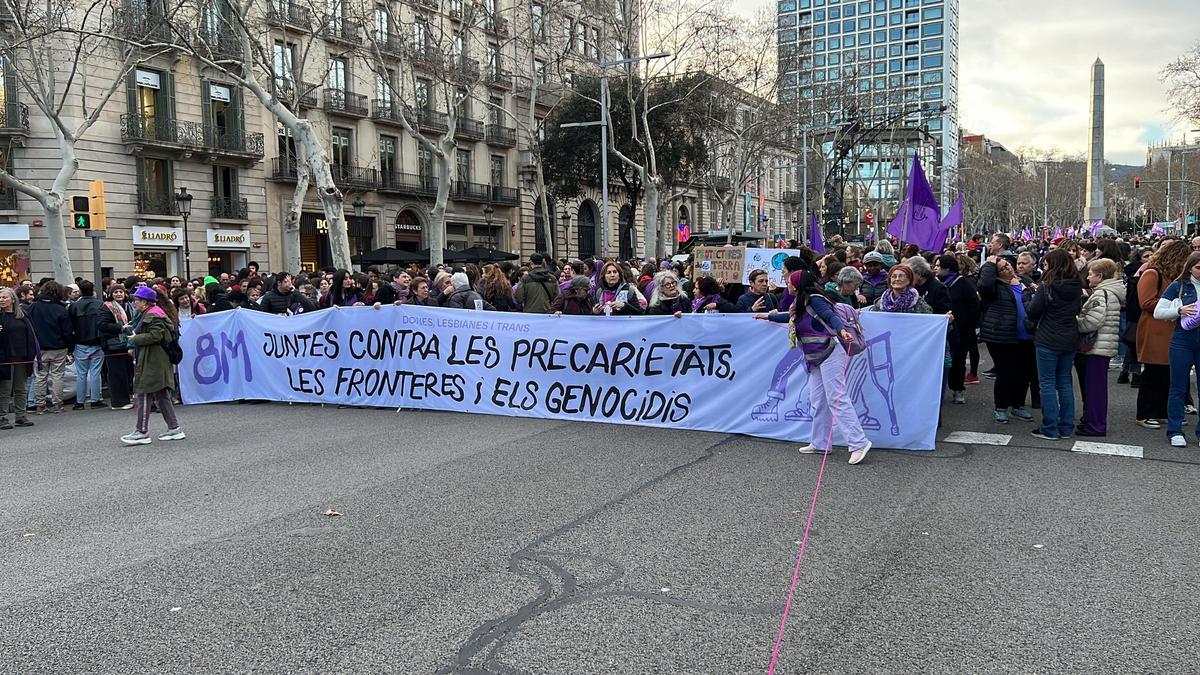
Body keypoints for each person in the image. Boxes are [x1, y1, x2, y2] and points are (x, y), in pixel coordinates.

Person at [755, 269, 871, 465]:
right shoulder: (800, 302)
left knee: (836, 397)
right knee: (817, 399)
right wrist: (767, 316)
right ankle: (820, 443)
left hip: (830, 350)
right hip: (814, 355)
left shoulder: (815, 298)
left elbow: (830, 315)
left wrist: (842, 331)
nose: (787, 284)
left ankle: (858, 443)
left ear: (798, 284)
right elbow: (791, 317)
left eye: (789, 281)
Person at [1024, 249, 1082, 440]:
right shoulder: (1076, 285)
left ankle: (1050, 427)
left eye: (1046, 264)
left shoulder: (1047, 286)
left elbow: (1033, 311)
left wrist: (1027, 297)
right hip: (1069, 336)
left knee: (1047, 383)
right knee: (1064, 382)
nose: (1044, 267)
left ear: (1053, 265)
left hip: (1049, 336)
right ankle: (1066, 427)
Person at [1136, 240, 1189, 429]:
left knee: (1165, 374)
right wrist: (1173, 305)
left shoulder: (1170, 276)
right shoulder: (1152, 273)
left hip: (1168, 327)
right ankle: (1144, 413)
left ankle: (1159, 411)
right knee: (1153, 373)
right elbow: (1146, 302)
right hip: (1154, 328)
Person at [978, 254, 1037, 424]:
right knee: (1005, 373)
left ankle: (1018, 405)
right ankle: (1001, 407)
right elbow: (984, 285)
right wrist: (989, 264)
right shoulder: (994, 286)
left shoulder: (1024, 280)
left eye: (1008, 265)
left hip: (1026, 335)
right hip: (1001, 335)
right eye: (1002, 268)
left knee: (1024, 373)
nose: (1009, 268)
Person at [121, 286, 184, 445]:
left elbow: (156, 335)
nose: (134, 302)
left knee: (144, 392)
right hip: (156, 359)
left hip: (153, 359)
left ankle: (142, 431)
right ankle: (174, 428)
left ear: (145, 301)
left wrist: (135, 339)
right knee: (161, 394)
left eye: (136, 300)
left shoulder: (153, 314)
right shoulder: (154, 312)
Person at [1075, 258, 1125, 437]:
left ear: (1100, 276)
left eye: (1090, 274)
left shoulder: (1101, 294)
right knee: (1097, 388)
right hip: (1105, 344)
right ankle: (1094, 422)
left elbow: (1093, 322)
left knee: (1095, 389)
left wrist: (1077, 321)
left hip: (1097, 346)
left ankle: (1095, 424)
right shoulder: (1111, 292)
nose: (1088, 277)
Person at [1155, 252, 1200, 446]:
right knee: (1178, 387)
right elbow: (1158, 312)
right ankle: (1175, 431)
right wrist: (1179, 310)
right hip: (1183, 339)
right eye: (1198, 267)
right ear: (1190, 267)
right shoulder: (1179, 286)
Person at [936, 255, 980, 404]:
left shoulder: (963, 283)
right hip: (942, 330)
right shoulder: (937, 285)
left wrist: (970, 326)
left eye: (938, 266)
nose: (935, 268)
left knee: (958, 360)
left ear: (947, 268)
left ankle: (958, 389)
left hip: (961, 330)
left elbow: (974, 306)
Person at [27, 280, 74, 414]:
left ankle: (40, 405)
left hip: (39, 347)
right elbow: (67, 331)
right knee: (57, 376)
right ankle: (57, 404)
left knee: (40, 376)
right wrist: (69, 347)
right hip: (58, 346)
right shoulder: (61, 309)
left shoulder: (34, 307)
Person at [0, 287, 37, 429]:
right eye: (0, 297)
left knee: (20, 388)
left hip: (22, 357)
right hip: (5, 358)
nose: (1, 300)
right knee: (5, 389)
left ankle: (21, 416)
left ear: (13, 300)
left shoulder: (23, 315)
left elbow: (31, 334)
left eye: (4, 297)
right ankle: (2, 417)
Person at [67, 280, 106, 410]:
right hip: (97, 341)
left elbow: (70, 325)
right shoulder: (100, 304)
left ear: (80, 290)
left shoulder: (74, 306)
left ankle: (80, 401)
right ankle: (95, 399)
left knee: (81, 373)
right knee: (95, 372)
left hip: (80, 342)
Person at [98, 284, 135, 410]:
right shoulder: (106, 307)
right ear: (111, 294)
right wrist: (120, 328)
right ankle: (118, 402)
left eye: (121, 292)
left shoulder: (129, 305)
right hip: (113, 344)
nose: (119, 294)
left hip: (127, 343)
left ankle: (127, 397)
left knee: (127, 373)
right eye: (116, 292)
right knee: (116, 374)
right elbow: (102, 325)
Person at [866, 264, 931, 314]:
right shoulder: (881, 303)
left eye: (901, 276)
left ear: (909, 280)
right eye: (894, 276)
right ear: (890, 281)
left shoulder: (918, 302)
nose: (897, 279)